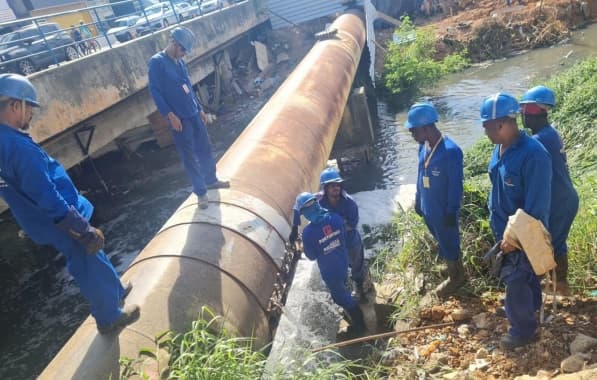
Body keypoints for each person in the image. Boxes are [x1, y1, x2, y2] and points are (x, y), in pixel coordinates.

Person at [0, 74, 139, 334]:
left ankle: (116, 291)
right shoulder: (17, 148)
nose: (31, 114)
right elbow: (45, 194)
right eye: (29, 107)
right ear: (14, 106)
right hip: (59, 219)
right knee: (86, 258)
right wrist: (79, 227)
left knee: (94, 253)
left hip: (43, 219)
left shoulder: (4, 141)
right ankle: (109, 318)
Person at [480, 92, 552, 349]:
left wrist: (515, 237)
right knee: (527, 275)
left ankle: (523, 330)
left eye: (487, 126)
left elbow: (537, 205)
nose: (485, 131)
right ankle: (531, 308)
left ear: (502, 123)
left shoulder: (534, 155)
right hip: (503, 229)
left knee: (516, 278)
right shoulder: (499, 148)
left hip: (524, 233)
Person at [148, 27, 228, 209]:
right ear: (174, 44)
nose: (184, 54)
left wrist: (199, 108)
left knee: (205, 148)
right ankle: (201, 193)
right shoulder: (157, 63)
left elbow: (188, 87)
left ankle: (211, 180)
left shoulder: (180, 62)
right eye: (183, 50)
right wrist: (168, 114)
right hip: (179, 119)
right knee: (189, 156)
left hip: (192, 113)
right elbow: (155, 91)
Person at [520, 85, 578, 295]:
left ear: (533, 112)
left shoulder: (538, 140)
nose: (522, 116)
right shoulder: (549, 132)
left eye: (524, 111)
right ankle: (559, 285)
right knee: (557, 241)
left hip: (560, 200)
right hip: (563, 196)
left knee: (550, 242)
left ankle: (555, 286)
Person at [406, 102, 465, 298]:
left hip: (443, 209)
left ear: (426, 128)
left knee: (450, 241)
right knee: (439, 238)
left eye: (413, 130)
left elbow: (456, 186)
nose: (411, 134)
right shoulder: (423, 147)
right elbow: (419, 174)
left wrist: (451, 211)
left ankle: (457, 277)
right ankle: (450, 266)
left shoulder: (450, 151)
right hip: (428, 207)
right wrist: (417, 199)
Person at [289, 168, 373, 301]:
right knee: (338, 270)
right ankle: (345, 294)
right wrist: (295, 228)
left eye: (338, 185)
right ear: (325, 188)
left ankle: (361, 288)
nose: (336, 188)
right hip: (332, 242)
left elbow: (352, 224)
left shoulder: (350, 203)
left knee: (356, 266)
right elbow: (297, 206)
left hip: (350, 241)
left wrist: (331, 230)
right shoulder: (317, 200)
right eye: (332, 185)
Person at [295, 192, 366, 336]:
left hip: (330, 271)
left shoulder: (308, 233)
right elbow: (343, 238)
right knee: (343, 286)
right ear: (317, 204)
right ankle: (353, 314)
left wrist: (305, 246)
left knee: (341, 297)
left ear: (305, 212)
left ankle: (360, 327)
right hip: (342, 263)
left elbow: (311, 256)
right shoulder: (336, 218)